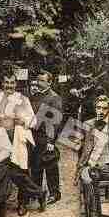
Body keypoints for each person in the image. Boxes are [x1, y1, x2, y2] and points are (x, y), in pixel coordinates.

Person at [0, 66, 46, 215]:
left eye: (12, 83)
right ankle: (38, 193)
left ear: (16, 84)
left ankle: (22, 203)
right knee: (4, 169)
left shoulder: (23, 99)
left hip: (18, 138)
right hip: (1, 138)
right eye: (7, 82)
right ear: (2, 84)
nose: (9, 85)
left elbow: (34, 121)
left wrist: (22, 121)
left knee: (20, 170)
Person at [75, 95, 109, 186]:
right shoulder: (87, 124)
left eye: (104, 108)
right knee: (89, 181)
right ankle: (92, 199)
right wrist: (81, 165)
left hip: (108, 166)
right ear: (95, 109)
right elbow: (81, 148)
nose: (101, 111)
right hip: (90, 165)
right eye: (98, 108)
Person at [29, 70, 63, 205]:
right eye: (38, 80)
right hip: (35, 135)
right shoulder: (35, 96)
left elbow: (56, 121)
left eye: (42, 80)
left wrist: (51, 140)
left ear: (49, 82)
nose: (39, 82)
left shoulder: (54, 97)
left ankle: (54, 193)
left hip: (47, 136)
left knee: (50, 165)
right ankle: (36, 192)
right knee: (36, 164)